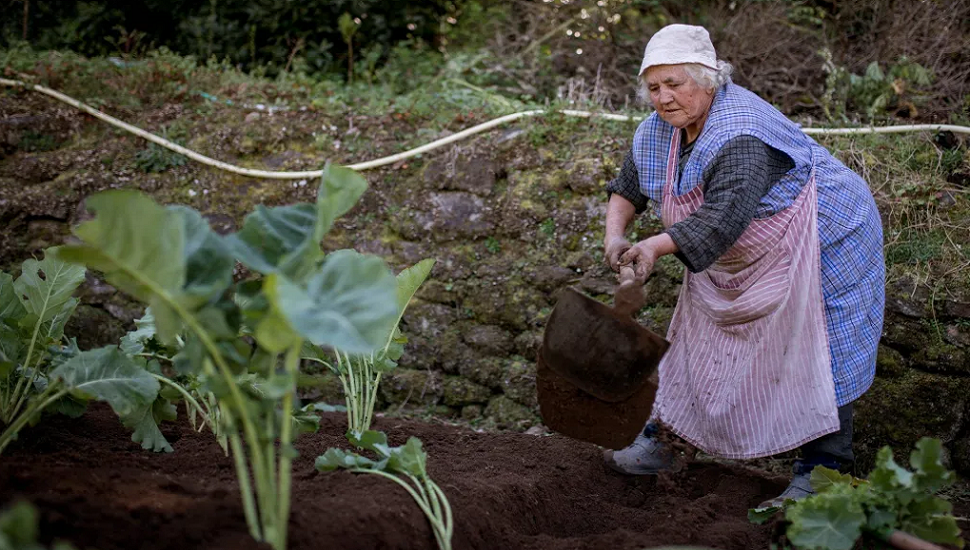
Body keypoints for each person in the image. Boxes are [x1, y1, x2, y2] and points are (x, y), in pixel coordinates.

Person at [601, 24, 885, 508]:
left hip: (826, 236)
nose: (664, 97)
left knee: (821, 345)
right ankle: (668, 442)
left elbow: (719, 222)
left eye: (676, 84)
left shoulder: (743, 134)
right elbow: (628, 186)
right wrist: (616, 236)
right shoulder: (657, 131)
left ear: (708, 80)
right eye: (654, 87)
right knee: (701, 337)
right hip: (750, 247)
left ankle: (824, 471)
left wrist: (651, 249)